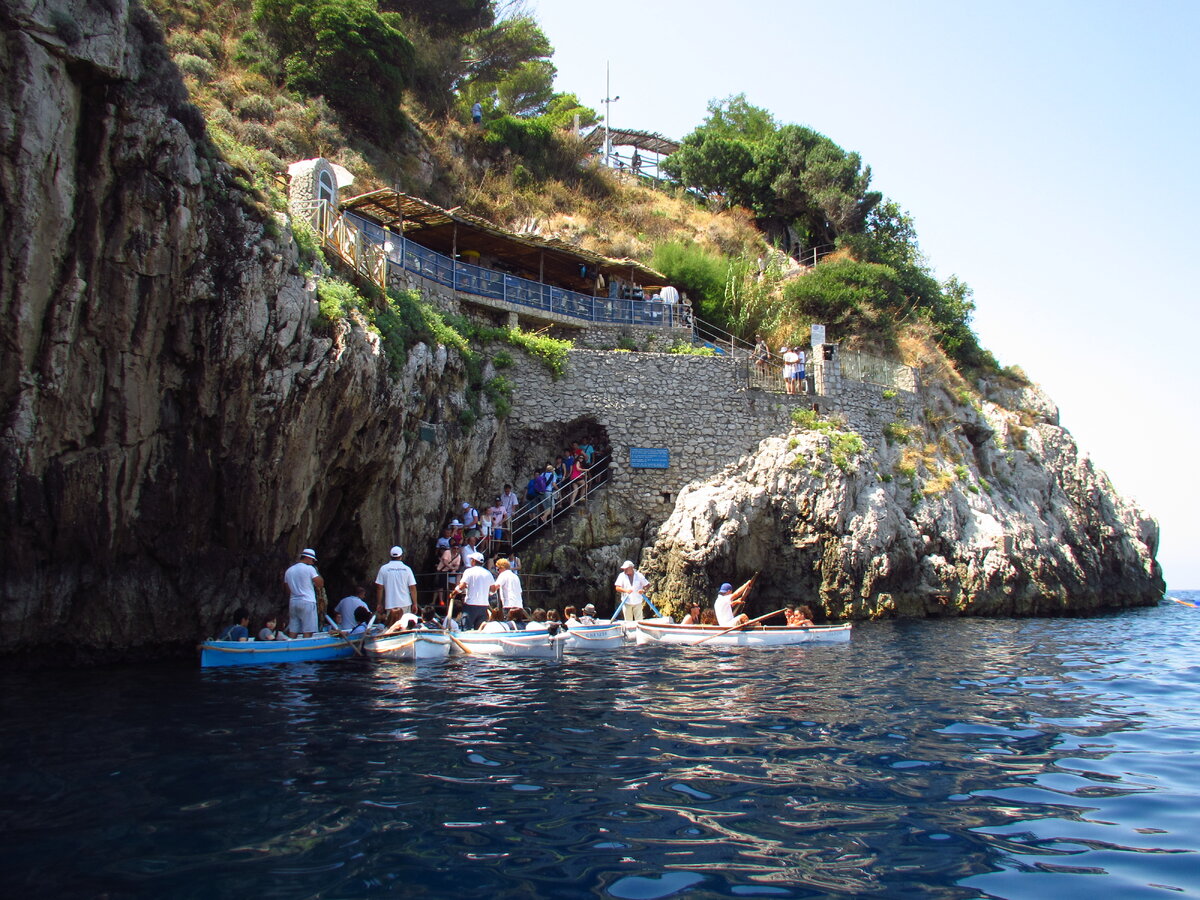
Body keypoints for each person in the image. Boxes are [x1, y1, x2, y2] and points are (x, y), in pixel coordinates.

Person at [283, 549, 323, 638]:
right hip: (307, 601)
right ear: (308, 558)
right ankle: (307, 649)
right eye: (313, 560)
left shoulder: (289, 570)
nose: (313, 563)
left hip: (293, 602)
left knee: (293, 630)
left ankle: (291, 649)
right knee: (308, 631)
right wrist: (317, 573)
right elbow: (320, 584)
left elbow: (287, 589)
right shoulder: (309, 569)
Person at [450, 551, 494, 630]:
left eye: (471, 560)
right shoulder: (488, 573)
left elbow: (461, 586)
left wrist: (454, 592)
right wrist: (488, 593)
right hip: (484, 605)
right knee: (480, 629)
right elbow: (493, 589)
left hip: (471, 605)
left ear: (474, 561)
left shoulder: (469, 571)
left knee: (466, 629)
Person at [375, 545, 417, 628]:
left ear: (390, 556)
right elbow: (412, 588)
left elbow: (379, 588)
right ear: (401, 556)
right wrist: (415, 603)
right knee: (405, 626)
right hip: (405, 603)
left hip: (390, 603)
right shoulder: (407, 569)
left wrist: (379, 603)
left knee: (391, 625)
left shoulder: (384, 569)